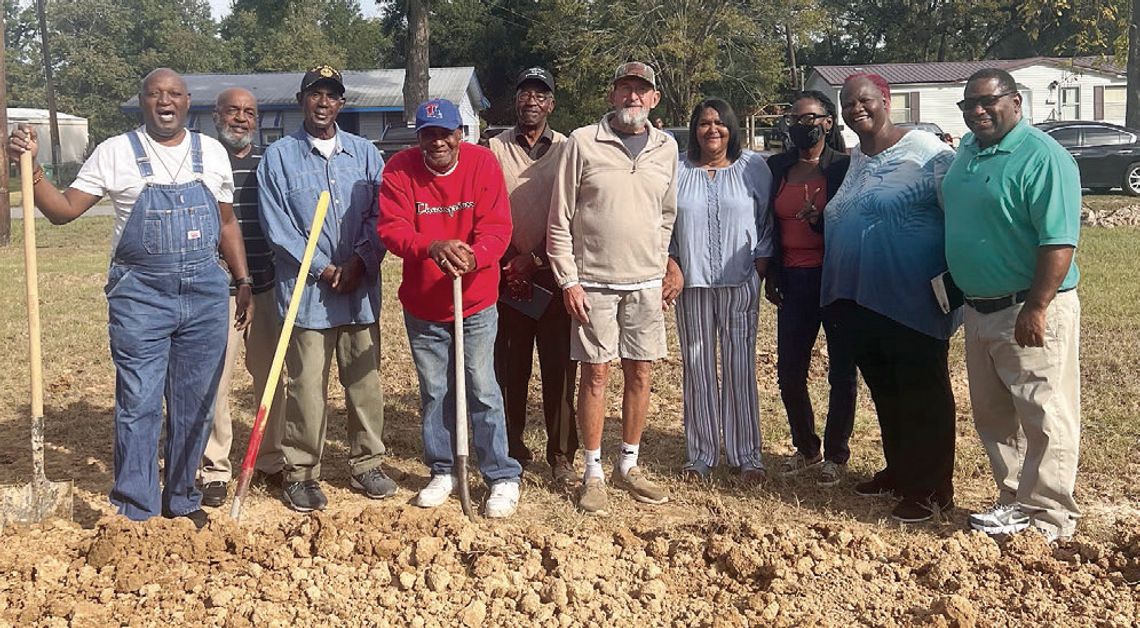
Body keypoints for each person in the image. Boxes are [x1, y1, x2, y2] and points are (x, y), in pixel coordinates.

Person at [6, 68, 251, 528]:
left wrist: (241, 280)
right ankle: (135, 510)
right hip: (141, 298)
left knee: (195, 403)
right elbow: (62, 212)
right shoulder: (115, 152)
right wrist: (31, 168)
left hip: (205, 295)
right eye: (156, 94)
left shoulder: (211, 152)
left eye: (174, 94)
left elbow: (227, 223)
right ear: (142, 101)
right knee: (138, 403)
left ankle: (182, 499)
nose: (165, 101)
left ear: (187, 101)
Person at [942, 69, 1082, 542]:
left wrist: (1038, 306)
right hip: (979, 309)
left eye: (988, 101)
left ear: (1016, 101)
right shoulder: (966, 151)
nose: (977, 111)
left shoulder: (1043, 157)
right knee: (994, 414)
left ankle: (1049, 516)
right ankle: (1013, 501)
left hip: (1027, 306)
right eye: (968, 104)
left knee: (1043, 411)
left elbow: (1059, 241)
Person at [821, 73, 961, 523]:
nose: (854, 108)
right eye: (846, 103)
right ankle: (901, 471)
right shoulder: (858, 158)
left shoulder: (929, 154)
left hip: (912, 297)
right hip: (859, 301)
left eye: (863, 100)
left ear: (886, 100)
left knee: (923, 393)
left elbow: (960, 216)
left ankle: (933, 490)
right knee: (887, 392)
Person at [378, 98, 523, 518]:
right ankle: (443, 468)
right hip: (424, 303)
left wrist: (473, 257)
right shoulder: (400, 169)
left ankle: (501, 475)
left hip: (475, 298)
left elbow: (497, 227)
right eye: (428, 133)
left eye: (445, 133)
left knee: (481, 386)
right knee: (436, 389)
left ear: (460, 134)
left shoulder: (482, 164)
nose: (437, 141)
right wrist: (432, 246)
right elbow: (393, 228)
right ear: (418, 136)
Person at [258, 65, 393, 512]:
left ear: (341, 104)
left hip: (358, 291)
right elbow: (278, 229)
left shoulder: (365, 154)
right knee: (306, 387)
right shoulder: (278, 158)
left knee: (364, 382)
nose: (322, 102)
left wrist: (360, 260)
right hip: (309, 296)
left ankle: (368, 463)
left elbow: (381, 216)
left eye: (331, 95)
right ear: (302, 101)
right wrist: (324, 268)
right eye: (314, 94)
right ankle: (301, 472)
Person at [547, 61, 679, 514]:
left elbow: (666, 215)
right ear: (612, 94)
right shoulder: (583, 142)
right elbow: (559, 219)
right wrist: (568, 280)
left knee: (640, 373)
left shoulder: (666, 147)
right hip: (594, 285)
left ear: (654, 99)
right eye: (625, 88)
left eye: (641, 91)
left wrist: (660, 261)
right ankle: (593, 471)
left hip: (645, 285)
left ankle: (630, 464)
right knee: (596, 374)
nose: (633, 98)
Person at [668, 97, 771, 484]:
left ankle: (747, 456)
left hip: (740, 281)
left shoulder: (753, 168)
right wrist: (671, 260)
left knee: (740, 367)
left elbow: (765, 220)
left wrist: (760, 262)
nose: (713, 129)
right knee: (696, 367)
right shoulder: (677, 170)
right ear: (694, 129)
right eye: (704, 123)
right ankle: (701, 454)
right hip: (691, 283)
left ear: (732, 127)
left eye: (720, 122)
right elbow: (665, 222)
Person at [486, 67, 579, 488]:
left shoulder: (568, 148)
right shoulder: (492, 148)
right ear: (515, 100)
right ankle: (510, 446)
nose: (531, 102)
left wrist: (537, 259)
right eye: (525, 93)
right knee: (509, 367)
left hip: (556, 275)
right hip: (506, 277)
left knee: (559, 370)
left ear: (551, 105)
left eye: (541, 96)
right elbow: (484, 208)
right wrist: (510, 262)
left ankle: (560, 455)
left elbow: (576, 213)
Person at [198, 87, 287, 507]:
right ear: (217, 114)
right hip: (219, 291)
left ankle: (272, 460)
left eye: (249, 112)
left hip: (266, 286)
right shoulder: (201, 162)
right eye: (232, 110)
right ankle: (215, 468)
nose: (240, 118)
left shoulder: (270, 162)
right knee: (215, 382)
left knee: (271, 378)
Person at [765, 91, 858, 487]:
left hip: (834, 279)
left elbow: (854, 223)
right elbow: (766, 225)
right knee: (789, 370)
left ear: (828, 122)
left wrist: (821, 220)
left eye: (810, 118)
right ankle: (806, 447)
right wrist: (771, 272)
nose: (802, 126)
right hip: (793, 279)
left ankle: (836, 454)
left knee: (841, 371)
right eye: (795, 119)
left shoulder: (845, 169)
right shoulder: (777, 168)